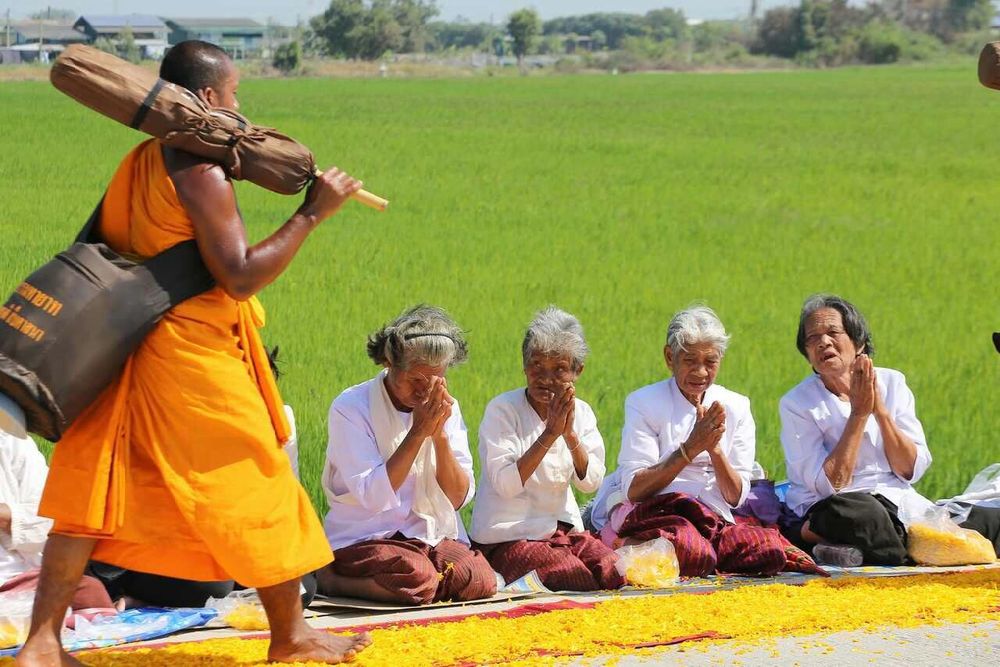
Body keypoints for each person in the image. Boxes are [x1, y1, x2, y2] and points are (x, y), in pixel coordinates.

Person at [17, 41, 370, 666]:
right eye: (235, 94)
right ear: (208, 99)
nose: (240, 106)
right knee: (256, 479)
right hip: (191, 353)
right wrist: (314, 214)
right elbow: (238, 275)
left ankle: (42, 643)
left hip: (121, 344)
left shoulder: (140, 159)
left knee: (90, 491)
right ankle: (289, 638)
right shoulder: (201, 171)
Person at [780, 294, 1000, 563]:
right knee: (861, 513)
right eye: (812, 338)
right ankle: (925, 551)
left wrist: (880, 412)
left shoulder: (892, 382)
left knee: (991, 519)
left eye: (833, 332)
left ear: (858, 341)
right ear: (807, 354)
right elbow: (829, 485)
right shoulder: (797, 404)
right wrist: (859, 415)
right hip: (840, 503)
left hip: (901, 503)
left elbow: (911, 469)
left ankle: (910, 548)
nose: (823, 342)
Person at [316, 305, 497, 605]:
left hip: (426, 534)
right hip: (365, 537)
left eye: (435, 380)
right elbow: (372, 497)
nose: (426, 391)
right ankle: (331, 579)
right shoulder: (350, 407)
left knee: (479, 579)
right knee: (417, 576)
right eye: (416, 380)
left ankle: (427, 586)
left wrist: (438, 437)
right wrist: (417, 433)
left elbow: (457, 498)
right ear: (389, 364)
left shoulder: (446, 408)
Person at [590, 306, 788, 577]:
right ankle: (623, 541)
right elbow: (634, 489)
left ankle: (692, 552)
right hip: (660, 510)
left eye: (710, 362)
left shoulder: (737, 406)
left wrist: (715, 450)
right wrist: (690, 448)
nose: (700, 372)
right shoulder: (644, 402)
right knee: (695, 551)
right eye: (690, 360)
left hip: (715, 517)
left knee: (769, 551)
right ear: (669, 357)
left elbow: (735, 496)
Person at [470, 307, 624, 592]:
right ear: (524, 365)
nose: (545, 378)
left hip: (560, 531)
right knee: (572, 577)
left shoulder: (582, 413)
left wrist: (568, 433)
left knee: (613, 571)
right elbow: (505, 484)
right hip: (508, 536)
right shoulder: (503, 410)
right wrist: (550, 433)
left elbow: (590, 483)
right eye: (536, 365)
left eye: (559, 369)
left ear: (577, 371)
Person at [0, 428, 111, 612]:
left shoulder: (11, 440)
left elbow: (52, 519)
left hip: (18, 579)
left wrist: (8, 517)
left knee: (88, 592)